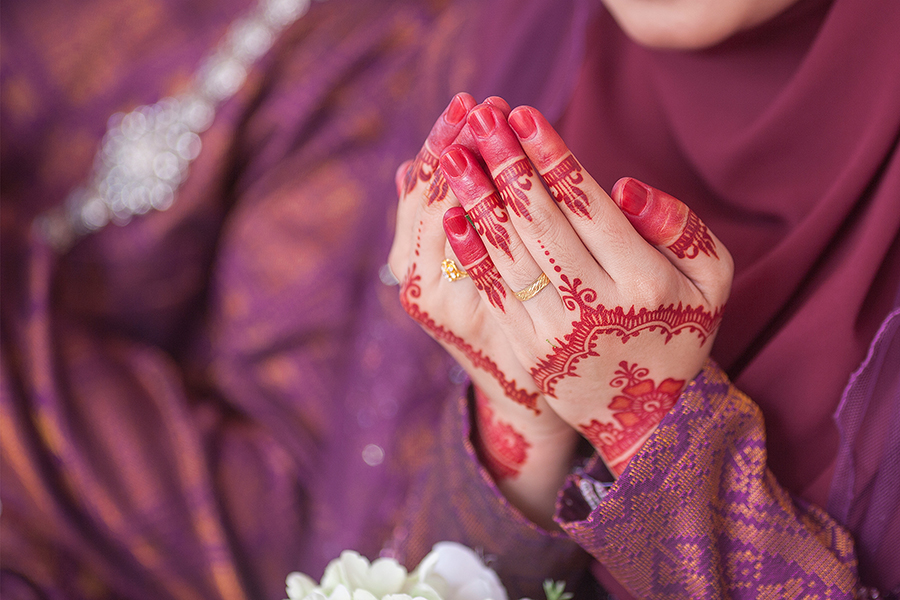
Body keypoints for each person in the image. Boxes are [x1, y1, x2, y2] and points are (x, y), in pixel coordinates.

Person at [1, 0, 897, 599]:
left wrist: (655, 430)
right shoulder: (527, 48)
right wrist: (516, 424)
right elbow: (356, 549)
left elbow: (257, 536)